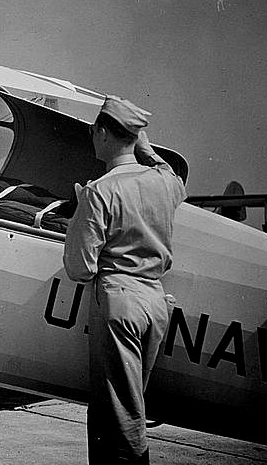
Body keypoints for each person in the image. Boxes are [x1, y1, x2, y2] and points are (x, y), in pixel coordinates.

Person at [63, 96, 185, 465]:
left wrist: (78, 215)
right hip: (155, 302)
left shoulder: (100, 191)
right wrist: (141, 144)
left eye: (95, 131)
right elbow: (172, 176)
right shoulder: (165, 183)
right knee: (131, 405)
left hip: (120, 304)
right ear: (135, 137)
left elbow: (80, 268)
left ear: (101, 133)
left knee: (114, 414)